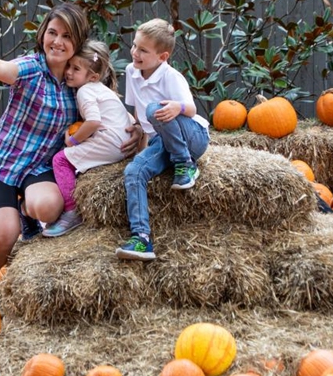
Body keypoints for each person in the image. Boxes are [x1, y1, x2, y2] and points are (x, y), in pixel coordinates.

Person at [0, 3, 89, 303]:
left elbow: (105, 107)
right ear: (42, 35)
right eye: (52, 33)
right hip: (1, 164)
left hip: (37, 167)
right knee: (5, 232)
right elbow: (1, 68)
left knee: (50, 208)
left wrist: (132, 129)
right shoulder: (32, 67)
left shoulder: (78, 82)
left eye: (67, 36)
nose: (57, 41)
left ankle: (28, 212)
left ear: (77, 42)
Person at [116, 18, 211, 261]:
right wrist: (138, 135)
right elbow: (138, 111)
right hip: (162, 140)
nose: (135, 53)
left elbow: (191, 109)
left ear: (162, 56)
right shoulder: (131, 71)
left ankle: (186, 165)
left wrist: (176, 107)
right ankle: (141, 238)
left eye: (143, 50)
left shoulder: (171, 77)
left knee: (153, 109)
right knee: (134, 171)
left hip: (192, 138)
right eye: (135, 46)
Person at [43, 40, 134, 238]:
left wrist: (72, 141)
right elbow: (126, 116)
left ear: (92, 76)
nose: (68, 72)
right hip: (122, 142)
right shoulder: (103, 89)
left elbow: (93, 121)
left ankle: (71, 211)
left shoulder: (85, 91)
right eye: (69, 66)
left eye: (76, 69)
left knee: (60, 159)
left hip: (110, 143)